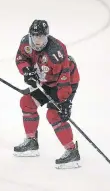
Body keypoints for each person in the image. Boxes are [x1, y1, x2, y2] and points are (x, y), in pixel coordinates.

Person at [14, 19, 80, 169]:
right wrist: (27, 71)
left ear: (47, 36)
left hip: (65, 82)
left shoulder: (56, 51)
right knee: (27, 102)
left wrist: (65, 102)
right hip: (46, 81)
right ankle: (31, 141)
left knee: (54, 115)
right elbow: (21, 58)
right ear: (30, 35)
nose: (38, 41)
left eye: (41, 37)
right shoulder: (25, 43)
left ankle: (72, 151)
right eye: (35, 36)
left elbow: (64, 78)